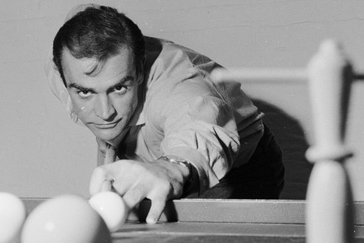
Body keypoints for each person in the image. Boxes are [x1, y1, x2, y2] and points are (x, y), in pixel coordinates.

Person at [46, 4, 285, 223]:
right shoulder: (65, 65)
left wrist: (168, 168)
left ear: (139, 71)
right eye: (85, 93)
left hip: (236, 172)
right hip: (146, 157)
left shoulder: (178, 87)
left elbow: (198, 124)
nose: (105, 112)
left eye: (119, 88)